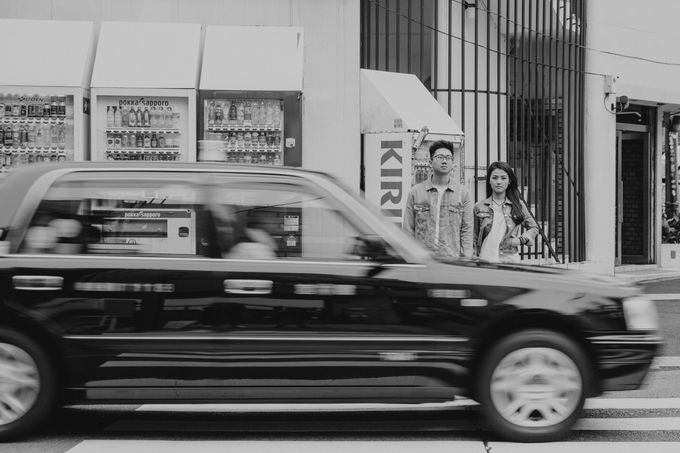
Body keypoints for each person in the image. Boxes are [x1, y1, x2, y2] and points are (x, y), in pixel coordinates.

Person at [403, 140, 473, 258]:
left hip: (452, 259)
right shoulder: (416, 192)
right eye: (440, 157)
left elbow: (467, 230)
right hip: (422, 259)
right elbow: (408, 229)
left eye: (448, 158)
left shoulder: (463, 193)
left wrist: (467, 258)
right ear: (430, 162)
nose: (444, 161)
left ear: (453, 162)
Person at [473, 161, 538, 263]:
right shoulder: (479, 207)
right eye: (494, 178)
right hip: (485, 259)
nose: (499, 182)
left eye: (503, 178)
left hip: (509, 259)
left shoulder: (518, 205)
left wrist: (520, 240)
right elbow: (474, 237)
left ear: (509, 181)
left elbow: (534, 227)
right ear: (489, 180)